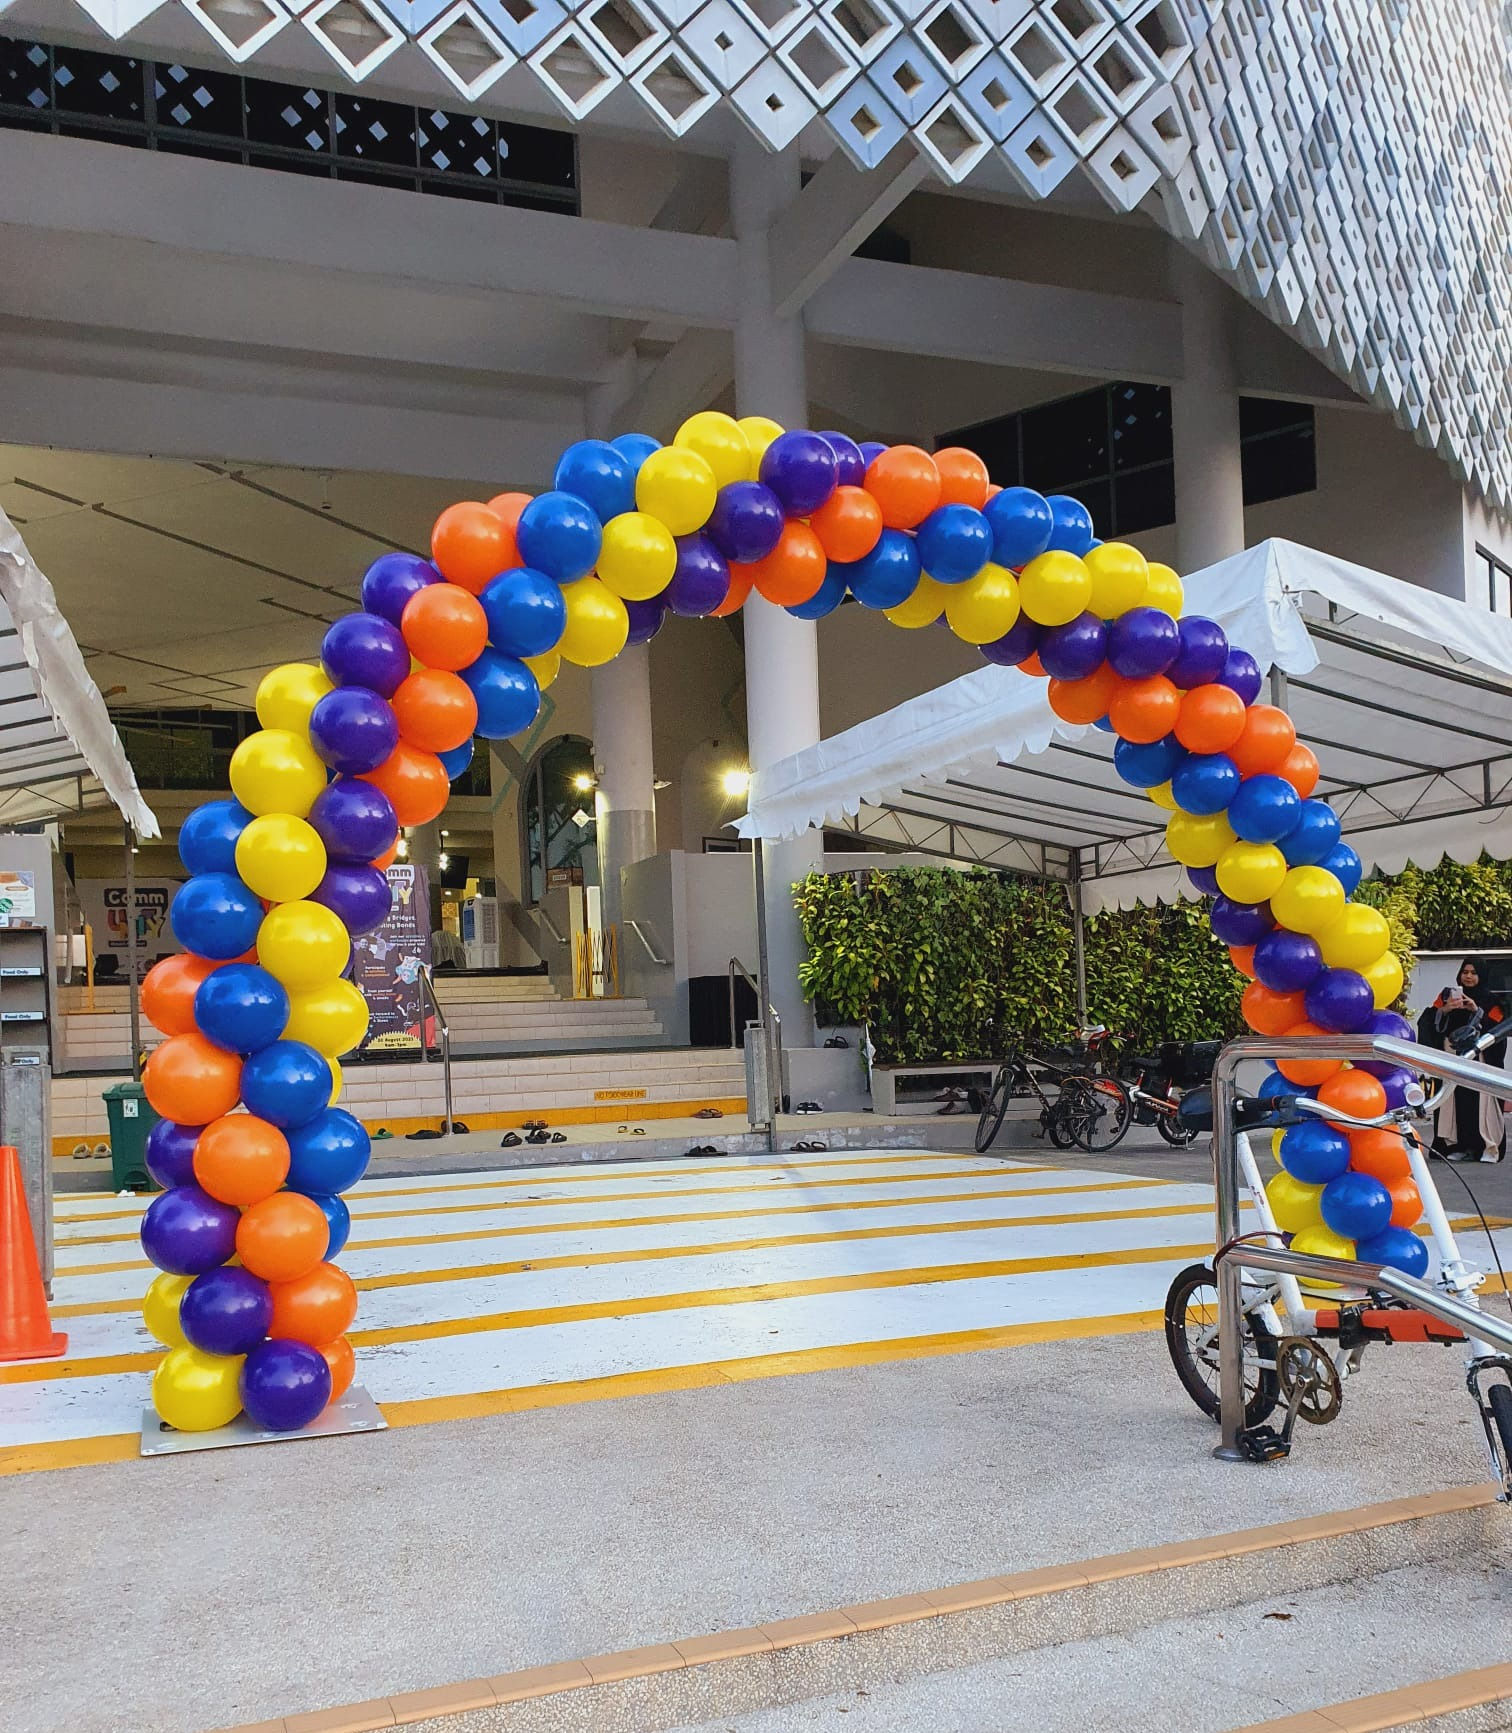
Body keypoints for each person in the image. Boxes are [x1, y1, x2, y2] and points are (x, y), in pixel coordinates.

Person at [1417, 957, 1505, 1162]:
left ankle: (1483, 1148)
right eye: (1465, 972)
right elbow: (1428, 1022)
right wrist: (1444, 1010)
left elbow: (1498, 1031)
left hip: (1479, 1062)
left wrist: (1476, 1011)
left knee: (1479, 1105)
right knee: (1453, 1103)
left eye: (1474, 973)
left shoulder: (1491, 1001)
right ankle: (1454, 1146)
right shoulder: (1447, 996)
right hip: (1452, 1060)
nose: (1469, 977)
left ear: (1481, 975)